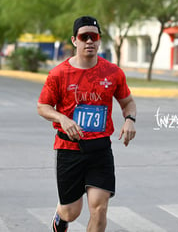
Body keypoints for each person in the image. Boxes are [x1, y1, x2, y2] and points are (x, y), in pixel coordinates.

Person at [37, 16, 137, 232]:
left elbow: (128, 102)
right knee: (71, 212)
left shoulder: (113, 73)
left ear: (99, 40)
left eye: (94, 36)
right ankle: (61, 215)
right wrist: (62, 118)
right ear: (75, 40)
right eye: (84, 37)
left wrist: (129, 120)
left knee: (99, 209)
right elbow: (43, 106)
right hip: (69, 150)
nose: (89, 41)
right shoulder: (59, 74)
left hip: (100, 149)